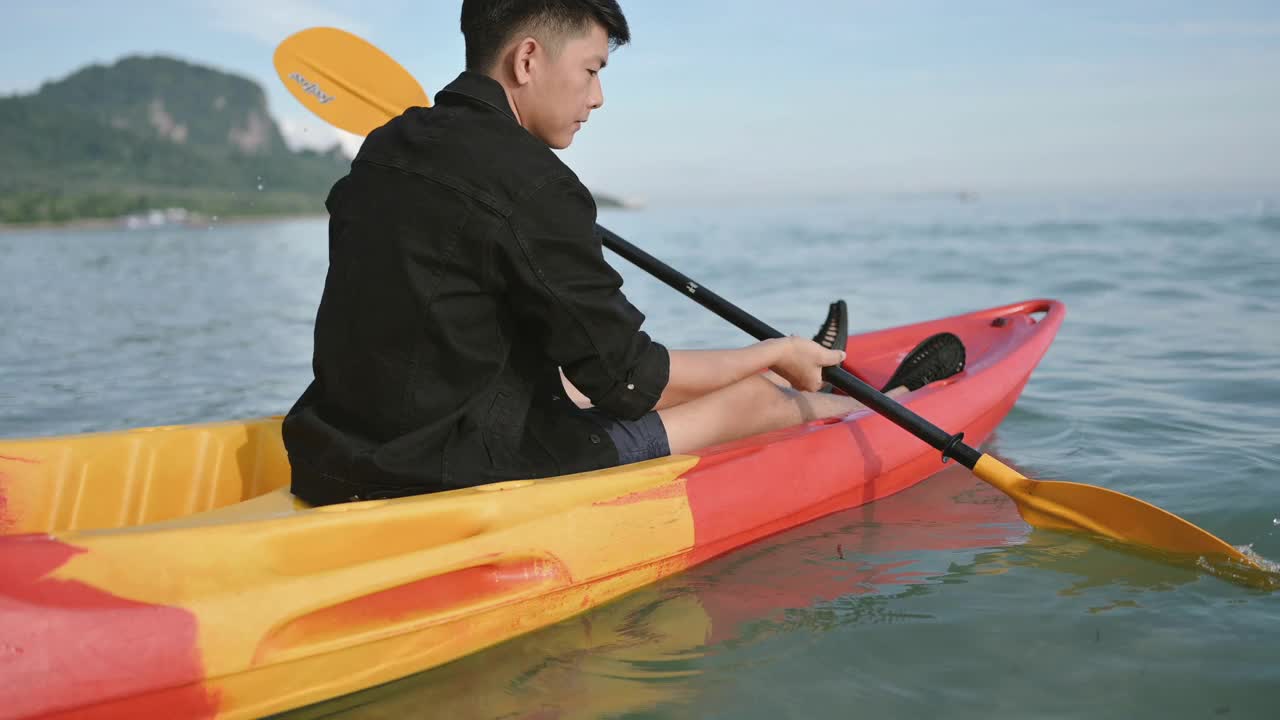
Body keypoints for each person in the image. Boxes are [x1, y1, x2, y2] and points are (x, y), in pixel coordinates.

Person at [282, 0, 965, 506]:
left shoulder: (388, 148)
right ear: (527, 60)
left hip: (335, 453)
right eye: (591, 69)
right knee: (749, 401)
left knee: (571, 379)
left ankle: (804, 369)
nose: (598, 96)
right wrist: (768, 353)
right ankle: (876, 400)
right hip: (452, 473)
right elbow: (632, 384)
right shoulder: (536, 183)